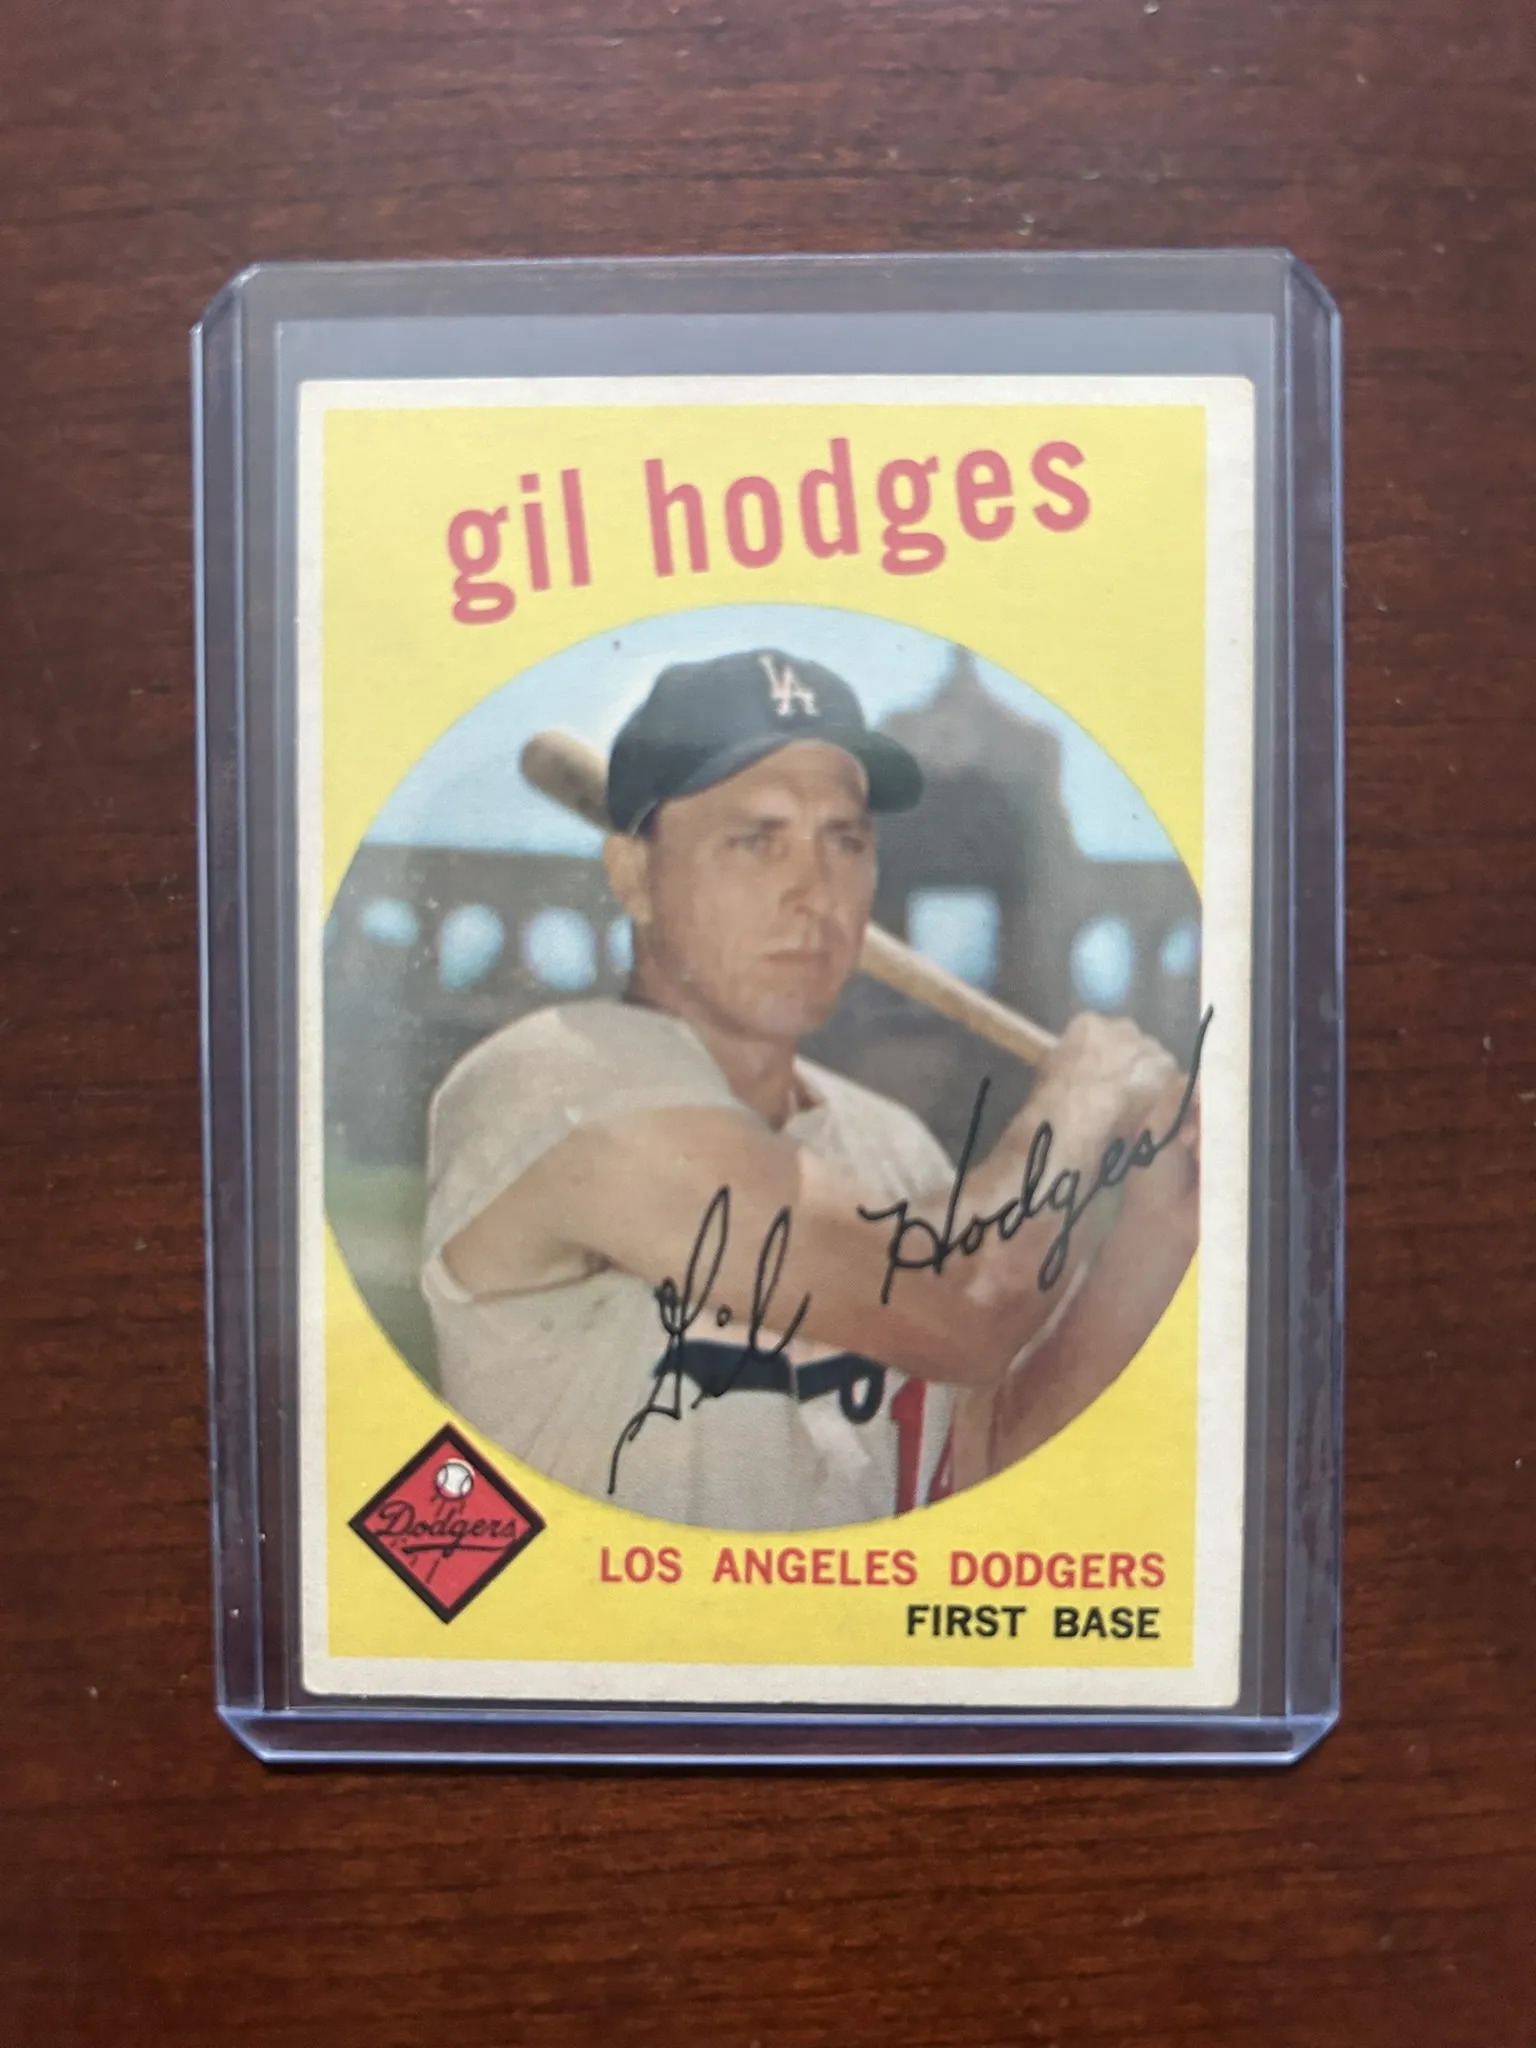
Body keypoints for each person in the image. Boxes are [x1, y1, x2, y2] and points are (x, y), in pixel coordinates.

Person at [421, 649, 1200, 1531]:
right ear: (635, 877)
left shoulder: (889, 1144)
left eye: (844, 842)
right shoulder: (559, 1080)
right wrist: (1081, 1100)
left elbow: (970, 1461)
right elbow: (965, 1304)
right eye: (757, 840)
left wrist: (1160, 1225)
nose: (814, 894)